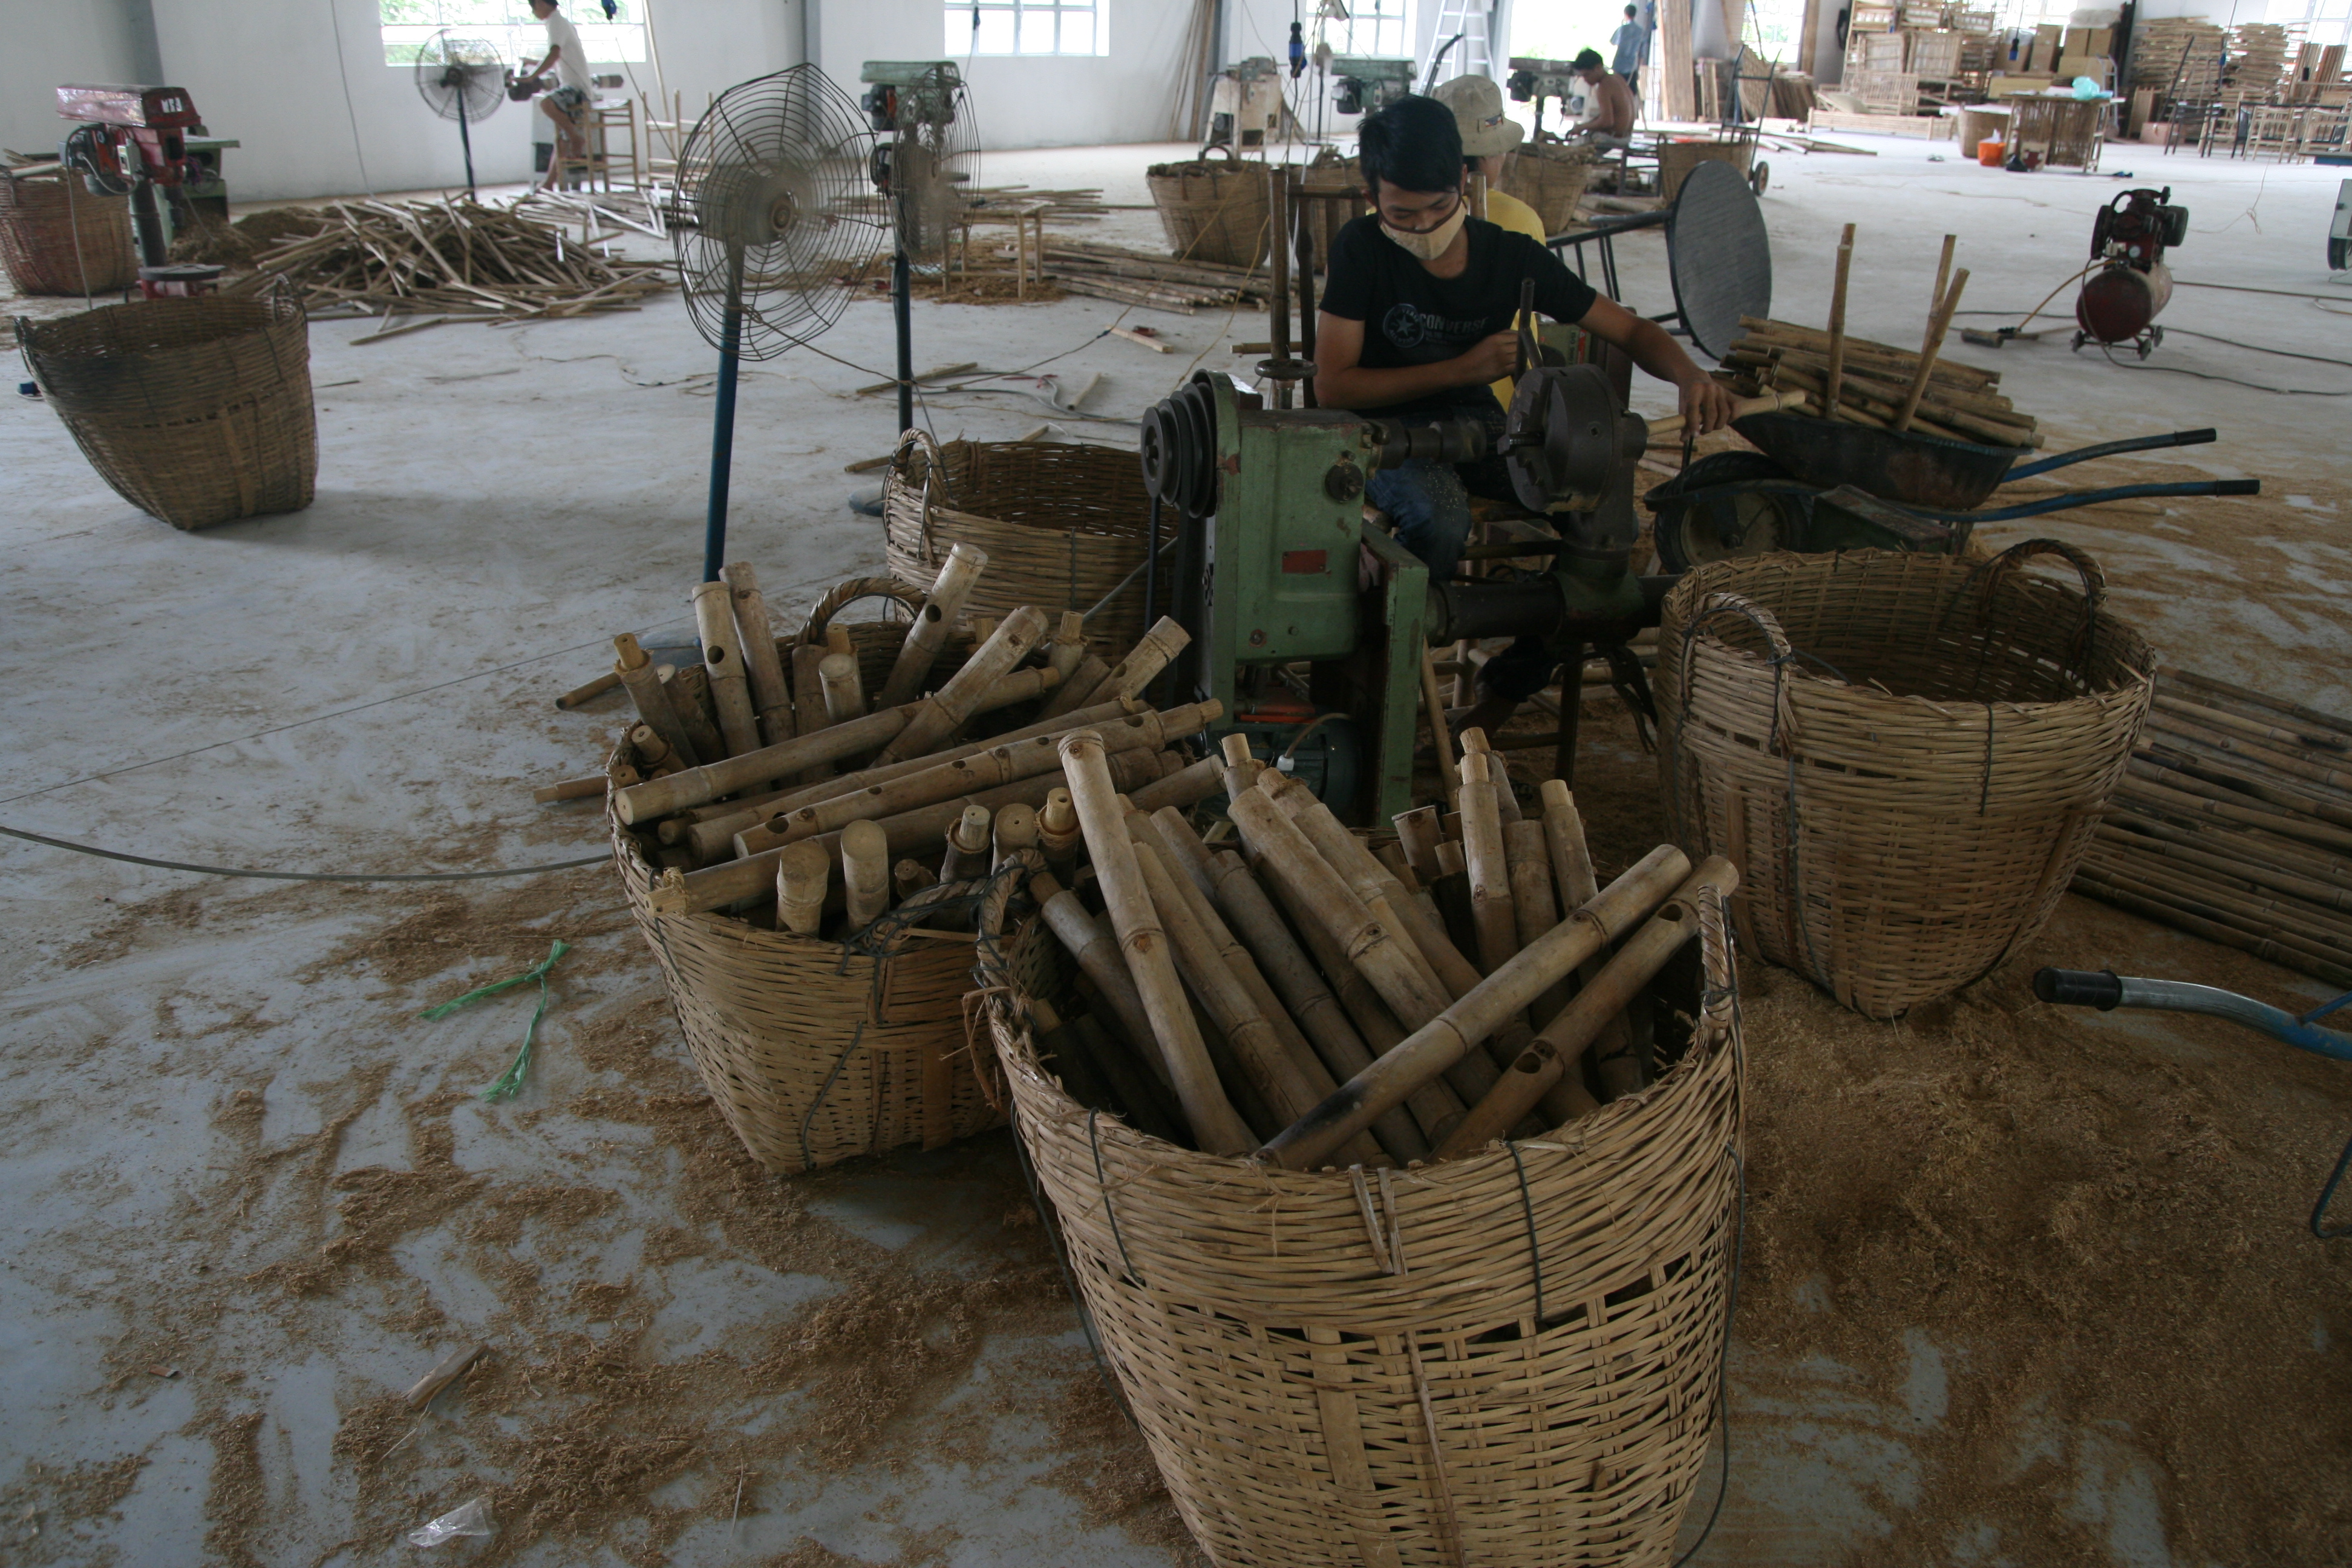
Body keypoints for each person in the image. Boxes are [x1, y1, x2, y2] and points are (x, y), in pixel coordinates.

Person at [1315, 94, 1733, 734]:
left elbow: (1627, 328)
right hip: (1377, 428)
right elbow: (1334, 386)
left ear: (1464, 180)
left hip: (1474, 420)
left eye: (1438, 207)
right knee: (1440, 520)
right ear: (1372, 197)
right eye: (1402, 213)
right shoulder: (1361, 250)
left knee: (1596, 524)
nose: (1423, 227)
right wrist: (1463, 368)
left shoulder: (1508, 256)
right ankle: (1387, 691)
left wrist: (1688, 373)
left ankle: (1501, 695)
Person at [1431, 73, 1548, 411]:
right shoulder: (1522, 220)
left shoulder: (1381, 213)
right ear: (1493, 154)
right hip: (1504, 401)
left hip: (1397, 393)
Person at [524, 0, 593, 192]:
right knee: (561, 138)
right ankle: (548, 183)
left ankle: (576, 138)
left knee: (546, 103)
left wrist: (532, 76)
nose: (533, 11)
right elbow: (557, 56)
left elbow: (554, 54)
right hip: (573, 87)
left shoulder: (556, 22)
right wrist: (533, 63)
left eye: (534, 6)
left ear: (541, 3)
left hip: (577, 89)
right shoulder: (557, 23)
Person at [1570, 48, 1639, 149]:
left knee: (1571, 149)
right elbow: (1607, 116)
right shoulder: (1617, 78)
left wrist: (1582, 127)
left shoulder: (1604, 86)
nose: (1585, 80)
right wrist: (1586, 125)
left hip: (1613, 138)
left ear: (1598, 68)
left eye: (1587, 75)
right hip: (1626, 136)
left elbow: (1607, 122)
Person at [1610, 3, 1650, 98]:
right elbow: (1642, 54)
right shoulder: (1641, 31)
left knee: (1616, 92)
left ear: (1626, 14)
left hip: (1619, 65)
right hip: (1632, 67)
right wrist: (1638, 68)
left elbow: (1613, 42)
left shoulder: (1622, 29)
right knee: (1630, 94)